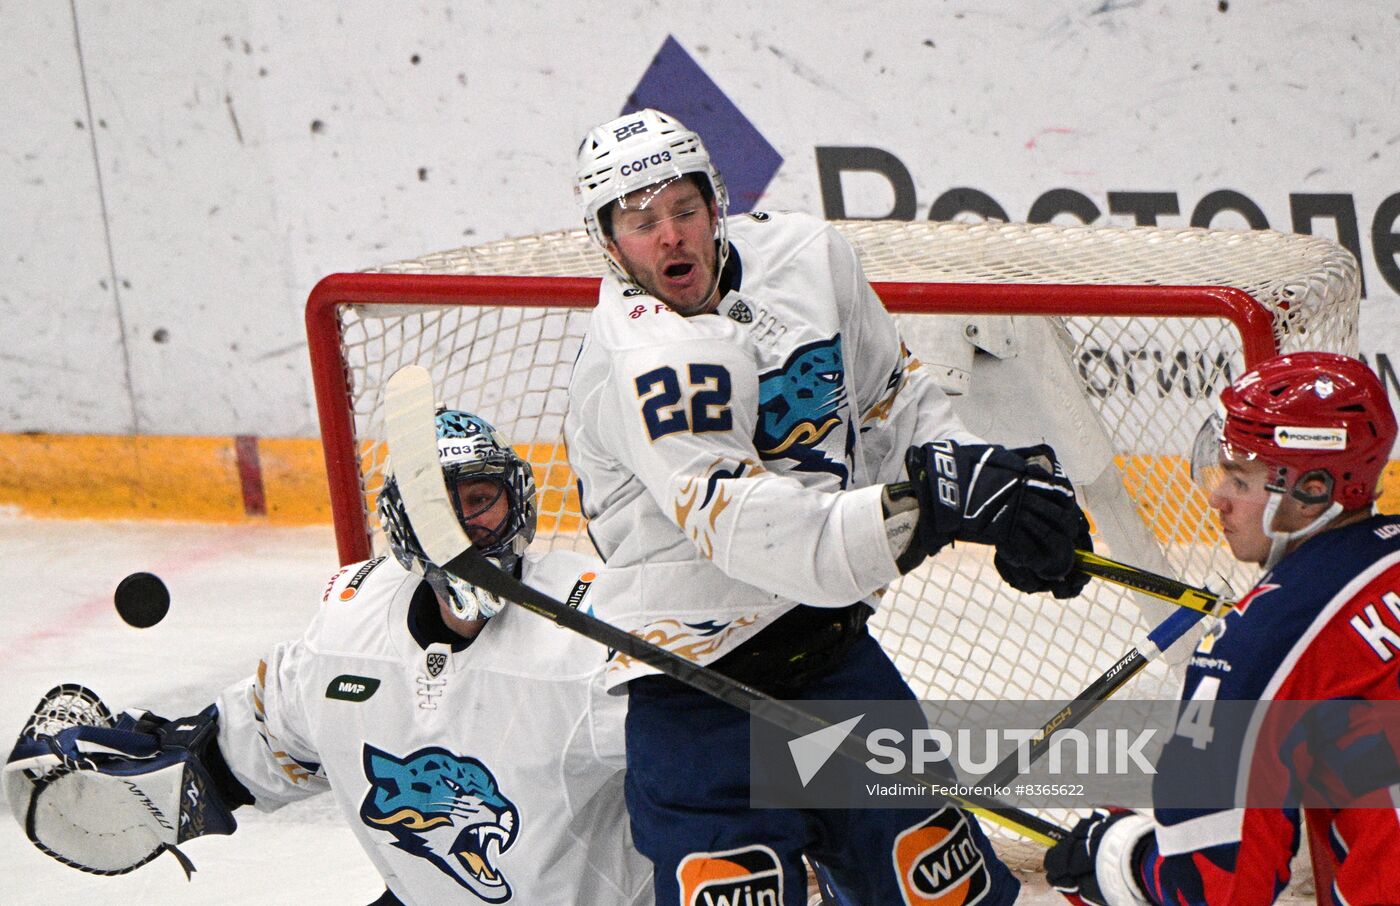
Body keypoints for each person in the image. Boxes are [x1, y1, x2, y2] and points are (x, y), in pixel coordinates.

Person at [567, 108, 1092, 906]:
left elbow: (894, 399)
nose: (670, 237)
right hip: (704, 703)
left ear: (716, 204)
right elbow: (744, 526)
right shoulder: (646, 361)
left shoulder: (809, 258)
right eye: (642, 223)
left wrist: (979, 478)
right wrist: (926, 512)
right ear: (609, 243)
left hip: (834, 667)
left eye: (683, 209)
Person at [5, 410, 652, 906]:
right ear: (403, 525)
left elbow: (732, 767)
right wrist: (149, 786)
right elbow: (247, 751)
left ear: (515, 501)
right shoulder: (350, 627)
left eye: (480, 500)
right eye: (438, 510)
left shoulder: (603, 630)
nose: (465, 530)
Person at [1044, 351, 1400, 905]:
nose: (1218, 498)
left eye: (1239, 477)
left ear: (1310, 492)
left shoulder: (1259, 641)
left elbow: (1215, 890)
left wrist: (1117, 857)